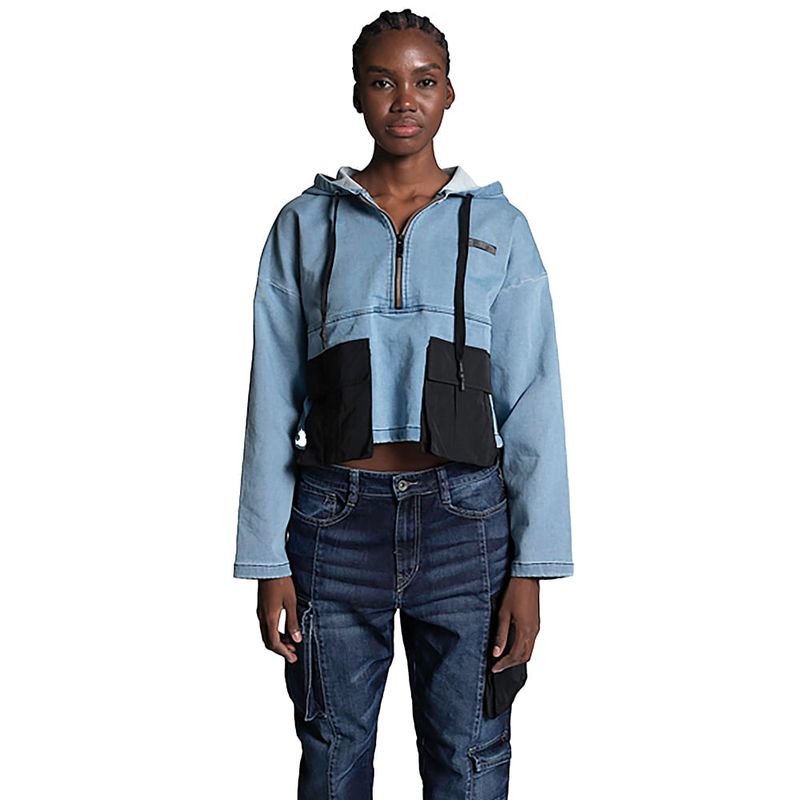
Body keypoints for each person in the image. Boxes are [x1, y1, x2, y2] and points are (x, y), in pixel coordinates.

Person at [233, 9, 573, 798]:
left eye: (424, 81)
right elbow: (270, 396)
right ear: (358, 93)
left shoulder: (499, 226)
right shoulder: (305, 224)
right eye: (383, 81)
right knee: (332, 759)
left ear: (449, 93)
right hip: (332, 524)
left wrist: (533, 567)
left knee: (471, 760)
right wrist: (265, 559)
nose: (404, 99)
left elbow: (534, 399)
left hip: (467, 526)